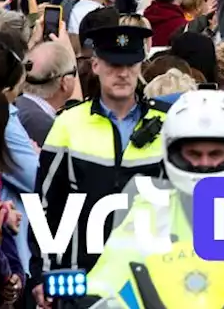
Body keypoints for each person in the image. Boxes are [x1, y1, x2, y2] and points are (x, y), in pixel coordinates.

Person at [27, 25, 166, 306]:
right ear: (96, 65)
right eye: (114, 64)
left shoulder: (168, 123)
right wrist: (42, 273)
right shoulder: (68, 124)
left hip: (150, 278)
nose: (123, 73)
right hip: (85, 279)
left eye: (130, 64)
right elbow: (47, 204)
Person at [84, 89, 224, 303]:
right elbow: (110, 272)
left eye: (215, 154)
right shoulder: (149, 210)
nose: (204, 164)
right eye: (193, 154)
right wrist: (92, 296)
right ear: (172, 152)